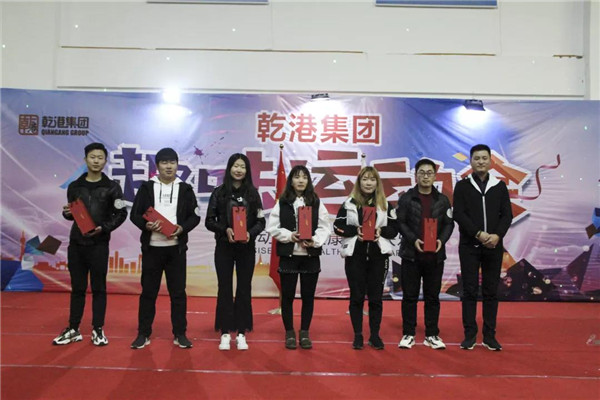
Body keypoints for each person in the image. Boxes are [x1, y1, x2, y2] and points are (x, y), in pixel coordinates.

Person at [53, 142, 127, 346]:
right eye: (92, 157)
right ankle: (73, 328)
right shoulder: (74, 186)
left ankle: (98, 329)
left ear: (105, 161)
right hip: (77, 244)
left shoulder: (113, 187)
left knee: (98, 288)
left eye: (100, 158)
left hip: (99, 245)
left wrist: (104, 228)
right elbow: (71, 214)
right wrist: (67, 213)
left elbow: (121, 213)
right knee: (77, 288)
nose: (96, 161)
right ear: (85, 160)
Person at [129, 148, 201, 349]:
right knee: (148, 293)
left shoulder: (185, 189)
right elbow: (134, 214)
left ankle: (180, 333)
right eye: (164, 162)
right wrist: (146, 225)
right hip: (152, 249)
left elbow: (195, 216)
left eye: (172, 162)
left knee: (178, 293)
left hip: (176, 250)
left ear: (177, 165)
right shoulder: (147, 187)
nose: (169, 166)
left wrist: (182, 228)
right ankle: (143, 333)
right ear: (157, 166)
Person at [453, 144, 513, 351]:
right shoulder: (462, 186)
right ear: (471, 161)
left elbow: (507, 215)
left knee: (491, 291)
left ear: (490, 161)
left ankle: (489, 335)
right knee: (469, 290)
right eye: (477, 158)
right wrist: (478, 233)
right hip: (469, 246)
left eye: (484, 158)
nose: (480, 162)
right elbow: (459, 214)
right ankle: (470, 335)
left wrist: (497, 235)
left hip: (494, 246)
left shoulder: (499, 186)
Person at [266, 165, 331, 350]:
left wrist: (314, 240)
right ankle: (289, 332)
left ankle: (304, 332)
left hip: (310, 256)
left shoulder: (316, 201)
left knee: (308, 297)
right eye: (297, 177)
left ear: (308, 181)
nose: (301, 180)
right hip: (289, 256)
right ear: (291, 181)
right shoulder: (283, 202)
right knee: (287, 297)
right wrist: (290, 236)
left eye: (304, 177)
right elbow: (272, 227)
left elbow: (325, 226)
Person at [333, 167, 398, 350]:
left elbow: (395, 230)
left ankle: (375, 335)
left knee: (376, 299)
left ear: (377, 183)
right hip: (356, 256)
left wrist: (380, 231)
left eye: (372, 179)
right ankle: (358, 335)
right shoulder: (349, 204)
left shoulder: (385, 205)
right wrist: (356, 231)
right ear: (359, 182)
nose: (368, 183)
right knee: (357, 297)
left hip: (379, 257)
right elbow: (337, 227)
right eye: (365, 179)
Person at [205, 153, 265, 351]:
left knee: (244, 288)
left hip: (246, 248)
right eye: (235, 166)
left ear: (247, 171)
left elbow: (261, 221)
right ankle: (224, 332)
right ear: (229, 168)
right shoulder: (219, 193)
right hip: (224, 247)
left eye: (243, 166)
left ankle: (241, 332)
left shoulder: (253, 194)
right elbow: (209, 221)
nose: (239, 170)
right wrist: (225, 230)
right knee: (224, 288)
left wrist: (250, 233)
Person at [396, 159, 454, 350]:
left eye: (429, 173)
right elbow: (400, 223)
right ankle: (408, 333)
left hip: (435, 257)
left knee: (432, 297)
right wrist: (414, 240)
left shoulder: (443, 200)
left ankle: (432, 334)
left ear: (435, 176)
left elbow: (449, 224)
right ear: (416, 175)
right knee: (409, 297)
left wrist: (441, 241)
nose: (426, 176)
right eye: (422, 173)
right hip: (411, 255)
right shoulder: (406, 198)